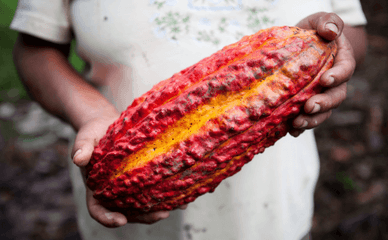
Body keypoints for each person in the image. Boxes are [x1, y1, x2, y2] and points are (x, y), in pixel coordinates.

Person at [11, 1, 367, 239]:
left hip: (271, 214)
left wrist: (332, 50)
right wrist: (91, 114)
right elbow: (35, 47)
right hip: (122, 188)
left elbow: (349, 29)